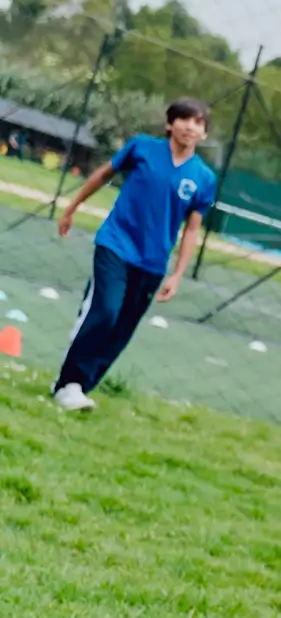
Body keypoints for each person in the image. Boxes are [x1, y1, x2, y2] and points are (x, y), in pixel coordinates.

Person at [51, 98, 217, 412]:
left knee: (121, 329)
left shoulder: (203, 179)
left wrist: (178, 274)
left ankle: (79, 386)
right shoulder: (142, 148)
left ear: (204, 134)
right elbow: (102, 175)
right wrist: (72, 208)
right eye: (184, 119)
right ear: (170, 124)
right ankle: (68, 383)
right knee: (106, 311)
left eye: (198, 123)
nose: (190, 127)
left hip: (153, 263)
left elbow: (192, 229)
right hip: (116, 244)